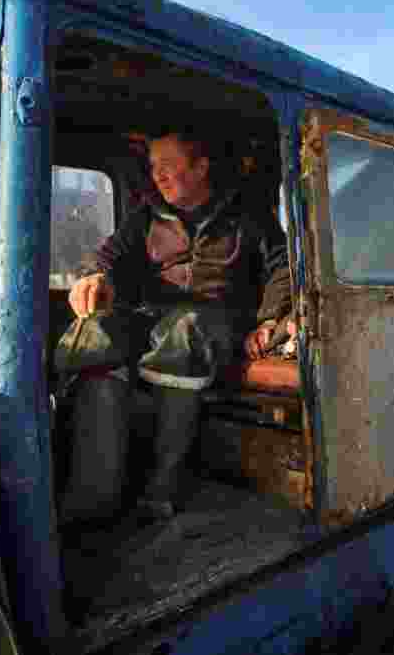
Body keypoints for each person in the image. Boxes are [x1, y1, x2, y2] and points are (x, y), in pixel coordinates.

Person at [58, 128, 293, 524]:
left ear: (201, 168)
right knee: (97, 335)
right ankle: (92, 496)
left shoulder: (247, 216)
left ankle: (160, 490)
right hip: (156, 321)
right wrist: (92, 276)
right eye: (153, 168)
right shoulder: (147, 216)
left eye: (168, 166)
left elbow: (282, 268)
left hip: (216, 323)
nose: (158, 177)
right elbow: (107, 257)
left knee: (185, 330)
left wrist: (270, 319)